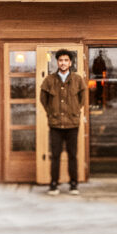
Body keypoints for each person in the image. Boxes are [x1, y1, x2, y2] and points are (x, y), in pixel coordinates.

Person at [38, 50, 86, 194]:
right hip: (55, 125)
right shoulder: (49, 80)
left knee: (73, 155)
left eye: (66, 60)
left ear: (70, 63)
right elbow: (43, 100)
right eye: (60, 60)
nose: (63, 63)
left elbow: (82, 100)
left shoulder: (78, 80)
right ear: (57, 62)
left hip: (72, 124)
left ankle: (73, 184)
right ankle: (54, 184)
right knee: (56, 155)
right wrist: (52, 113)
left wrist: (74, 111)